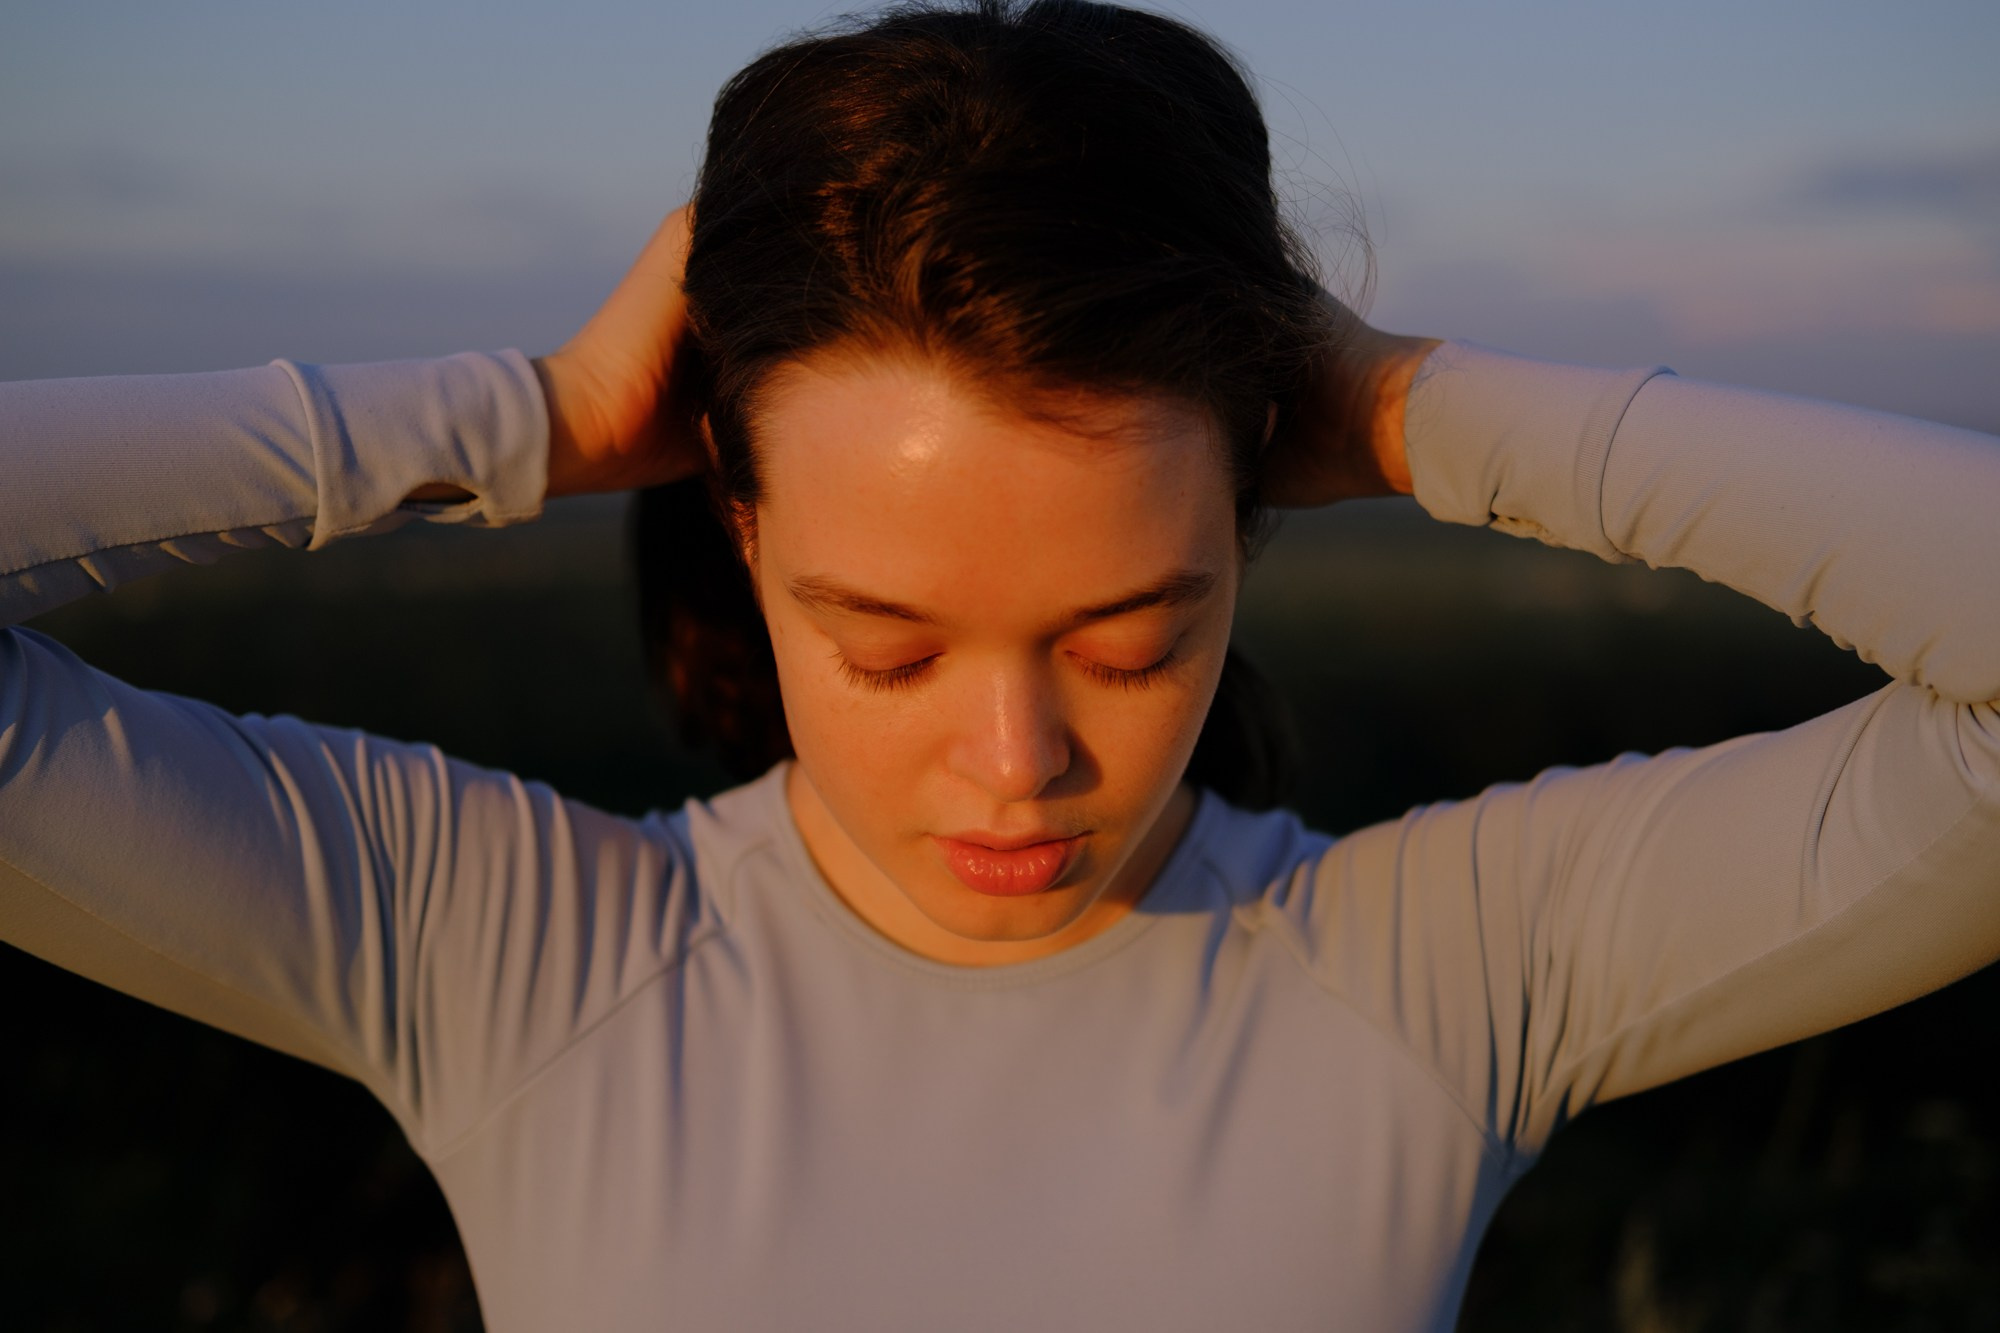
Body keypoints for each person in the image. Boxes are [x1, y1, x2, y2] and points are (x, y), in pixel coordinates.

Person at [2, 0, 1996, 1328]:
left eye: (1134, 637)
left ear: (1248, 527)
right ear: (744, 530)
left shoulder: (1442, 972)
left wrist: (1399, 409)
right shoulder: (510, 956)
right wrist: (513, 415)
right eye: (884, 649)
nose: (1018, 758)